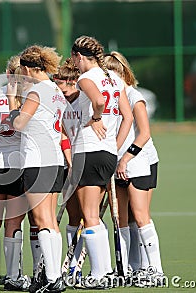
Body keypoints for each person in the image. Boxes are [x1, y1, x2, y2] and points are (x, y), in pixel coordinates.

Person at [69, 36, 133, 289]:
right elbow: (127, 118)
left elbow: (99, 102)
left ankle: (99, 274)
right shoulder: (116, 80)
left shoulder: (85, 79)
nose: (74, 63)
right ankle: (104, 270)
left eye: (74, 58)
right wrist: (113, 146)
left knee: (90, 215)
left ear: (79, 56)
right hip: (107, 153)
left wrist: (96, 118)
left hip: (88, 150)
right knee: (95, 215)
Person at [7, 45, 67, 293]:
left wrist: (12, 103)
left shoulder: (36, 92)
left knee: (42, 220)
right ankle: (54, 276)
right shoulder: (55, 89)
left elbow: (19, 124)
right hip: (54, 161)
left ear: (29, 69)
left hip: (37, 161)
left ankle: (52, 278)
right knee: (51, 221)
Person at [104, 51, 164, 287]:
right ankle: (131, 268)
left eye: (111, 76)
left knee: (140, 217)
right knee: (122, 219)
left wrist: (125, 160)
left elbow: (144, 134)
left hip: (139, 161)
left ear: (121, 73)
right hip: (117, 162)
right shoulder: (109, 97)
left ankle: (155, 270)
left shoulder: (133, 96)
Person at [0, 55, 31, 291]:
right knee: (13, 224)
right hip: (18, 166)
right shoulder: (30, 99)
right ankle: (13, 275)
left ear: (8, 74)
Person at [52, 58, 83, 279]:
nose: (58, 89)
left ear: (71, 81)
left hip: (88, 162)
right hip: (69, 164)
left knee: (90, 216)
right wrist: (70, 162)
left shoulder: (86, 101)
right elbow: (64, 134)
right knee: (73, 216)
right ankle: (71, 267)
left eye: (60, 84)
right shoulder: (62, 104)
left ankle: (81, 265)